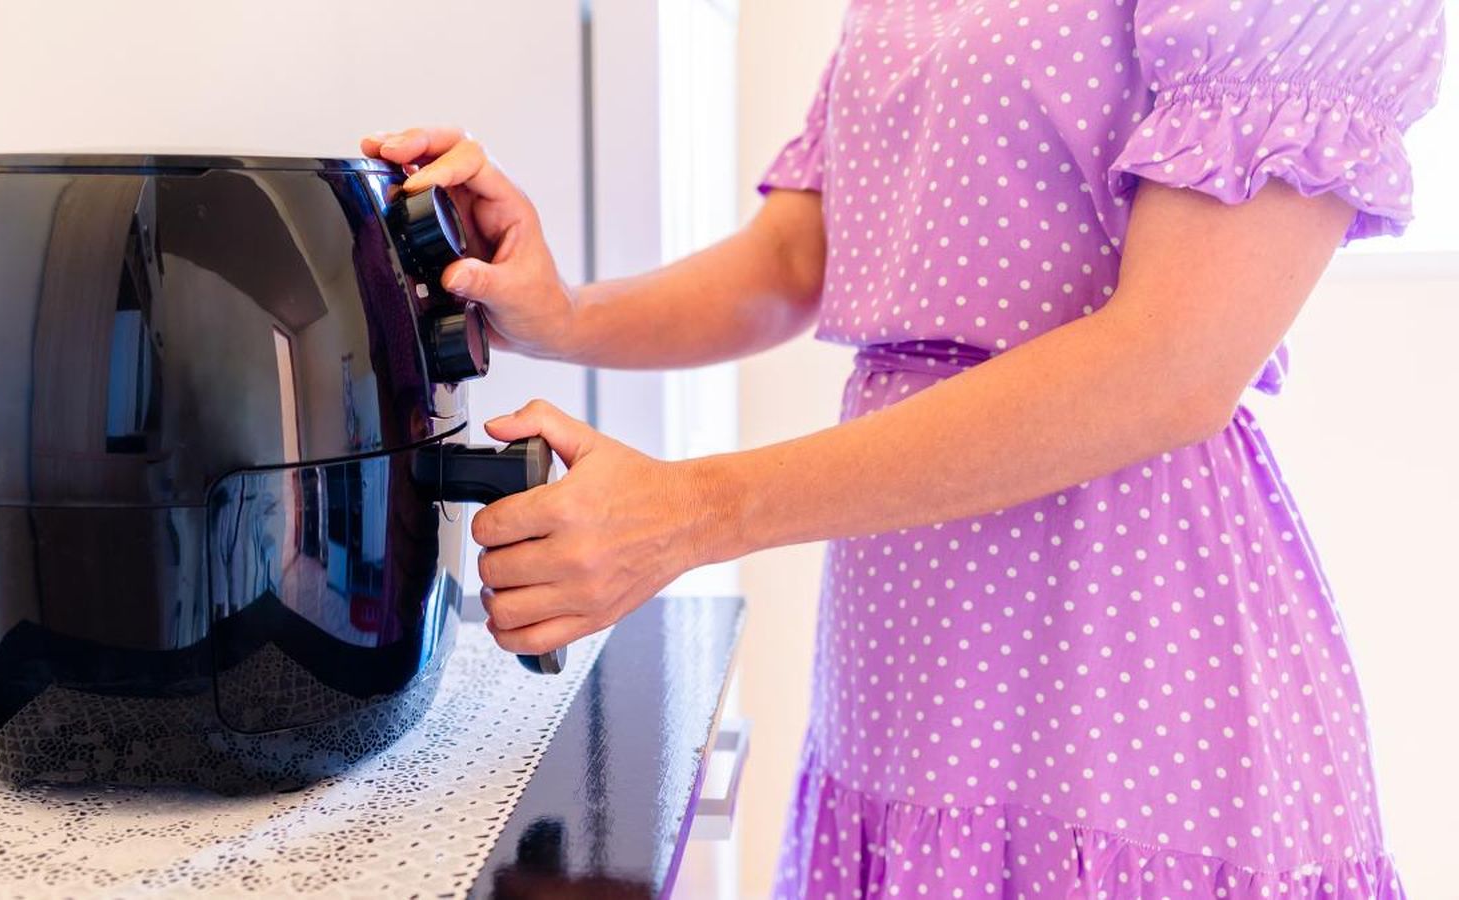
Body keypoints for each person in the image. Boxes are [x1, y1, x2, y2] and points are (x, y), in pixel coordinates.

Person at [364, 0, 1444, 894]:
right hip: (908, 643)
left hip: (1116, 627)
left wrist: (693, 512)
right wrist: (561, 315)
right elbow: (799, 255)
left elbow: (1170, 364)